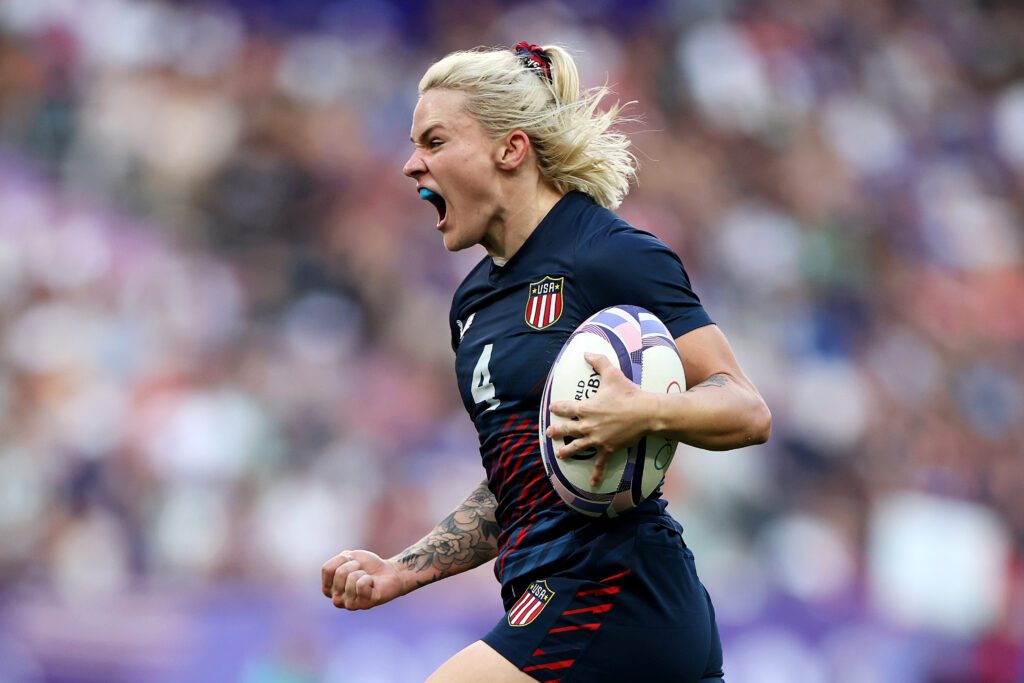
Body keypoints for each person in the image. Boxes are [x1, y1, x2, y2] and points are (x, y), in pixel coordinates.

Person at [321, 42, 771, 682]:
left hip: (615, 589)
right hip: (563, 596)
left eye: (435, 141)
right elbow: (519, 480)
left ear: (511, 149)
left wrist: (647, 411)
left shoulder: (609, 254)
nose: (411, 164)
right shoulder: (472, 305)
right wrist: (403, 570)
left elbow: (746, 408)